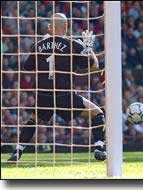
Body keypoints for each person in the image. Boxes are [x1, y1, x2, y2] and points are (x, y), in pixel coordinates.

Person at [8, 13, 106, 162]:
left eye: (49, 26)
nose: (47, 28)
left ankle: (17, 151)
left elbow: (27, 67)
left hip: (44, 96)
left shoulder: (39, 44)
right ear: (66, 27)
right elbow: (94, 67)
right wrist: (88, 48)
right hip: (65, 96)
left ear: (52, 27)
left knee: (33, 120)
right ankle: (99, 148)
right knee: (98, 114)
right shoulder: (74, 44)